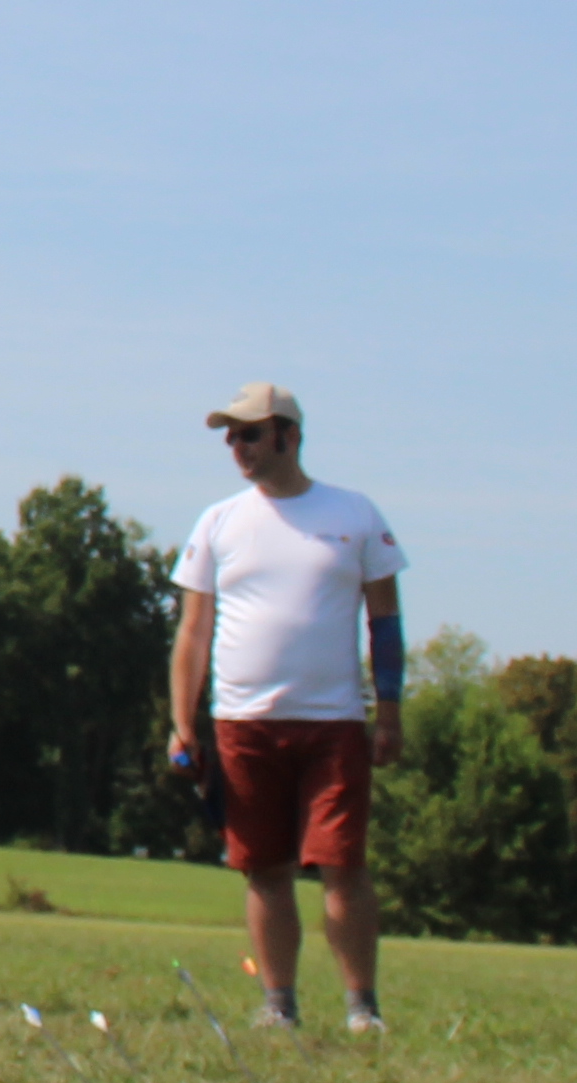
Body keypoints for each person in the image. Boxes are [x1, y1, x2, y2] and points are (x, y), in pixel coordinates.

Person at [169, 382, 407, 1034]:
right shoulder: (218, 521)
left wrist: (389, 711)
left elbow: (384, 621)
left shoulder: (355, 513)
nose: (236, 447)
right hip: (242, 722)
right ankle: (279, 1004)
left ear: (288, 436)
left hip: (333, 723)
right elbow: (193, 631)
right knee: (264, 870)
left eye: (248, 434)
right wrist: (182, 722)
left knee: (343, 866)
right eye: (230, 436)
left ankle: (363, 1007)